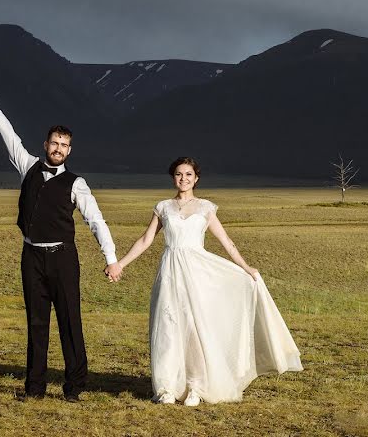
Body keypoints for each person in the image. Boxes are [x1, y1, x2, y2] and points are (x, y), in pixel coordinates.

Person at [0, 74, 122, 401]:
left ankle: (74, 388)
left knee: (70, 323)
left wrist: (111, 259)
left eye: (64, 145)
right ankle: (35, 388)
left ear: (70, 150)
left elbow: (95, 220)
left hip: (63, 259)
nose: (58, 149)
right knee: (37, 324)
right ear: (45, 145)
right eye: (54, 143)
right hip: (32, 258)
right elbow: (8, 135)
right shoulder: (26, 166)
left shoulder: (76, 183)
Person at [111, 157, 303, 405]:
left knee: (194, 328)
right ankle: (167, 388)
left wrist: (246, 268)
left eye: (188, 174)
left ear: (196, 178)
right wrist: (120, 263)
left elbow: (227, 242)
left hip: (198, 274)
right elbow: (145, 240)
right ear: (173, 178)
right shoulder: (163, 207)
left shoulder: (205, 208)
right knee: (168, 327)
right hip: (170, 273)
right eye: (179, 174)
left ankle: (196, 387)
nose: (183, 179)